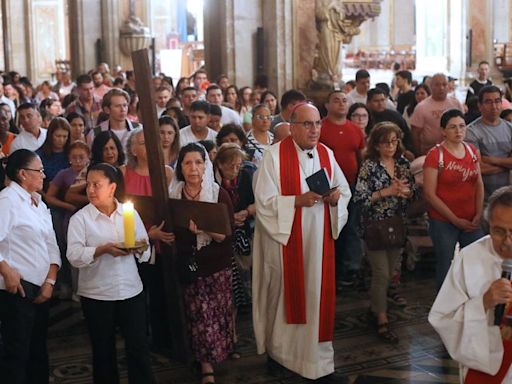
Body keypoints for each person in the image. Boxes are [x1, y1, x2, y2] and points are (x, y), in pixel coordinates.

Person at [252, 102, 350, 381]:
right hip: (285, 243)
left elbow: (343, 190)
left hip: (318, 243)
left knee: (316, 296)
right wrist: (297, 200)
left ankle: (316, 361)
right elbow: (264, 202)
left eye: (318, 123)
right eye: (307, 124)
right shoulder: (273, 157)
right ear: (292, 127)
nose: (314, 129)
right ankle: (281, 355)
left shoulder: (326, 154)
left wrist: (334, 198)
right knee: (286, 297)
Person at [67, 162, 155, 384]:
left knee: (138, 347)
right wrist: (102, 249)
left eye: (96, 184)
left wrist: (140, 247)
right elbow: (74, 255)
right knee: (103, 351)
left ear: (112, 188)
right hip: (97, 293)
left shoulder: (129, 213)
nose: (90, 190)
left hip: (130, 289)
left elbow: (145, 250)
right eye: (88, 185)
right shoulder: (81, 219)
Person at [429, 186, 512, 383]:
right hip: (483, 363)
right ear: (488, 225)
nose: (507, 241)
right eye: (499, 231)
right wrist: (482, 303)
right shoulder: (470, 258)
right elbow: (442, 319)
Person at [168, 143, 235, 384]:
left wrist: (204, 226)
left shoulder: (217, 194)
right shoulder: (175, 194)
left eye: (198, 162)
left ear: (205, 166)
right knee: (199, 316)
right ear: (181, 168)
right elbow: (172, 229)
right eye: (187, 163)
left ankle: (218, 352)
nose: (193, 168)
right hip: (190, 264)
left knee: (216, 315)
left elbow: (226, 234)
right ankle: (206, 365)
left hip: (215, 264)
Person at [0, 149, 61, 383]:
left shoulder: (37, 201)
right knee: (17, 353)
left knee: (38, 349)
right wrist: (6, 270)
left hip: (40, 285)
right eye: (40, 171)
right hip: (18, 288)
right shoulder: (7, 200)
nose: (44, 175)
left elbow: (51, 244)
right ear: (23, 174)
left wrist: (50, 281)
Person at [354, 122, 415, 344]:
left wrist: (405, 192)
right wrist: (386, 191)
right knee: (381, 274)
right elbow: (360, 199)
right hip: (374, 226)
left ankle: (375, 307)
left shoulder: (403, 164)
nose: (390, 146)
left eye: (394, 141)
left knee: (390, 274)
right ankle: (381, 319)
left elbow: (413, 192)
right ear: (376, 145)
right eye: (385, 142)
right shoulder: (369, 166)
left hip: (397, 224)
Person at [423, 109, 485, 288]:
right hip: (444, 221)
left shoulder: (472, 150)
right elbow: (429, 194)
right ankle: (443, 308)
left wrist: (478, 213)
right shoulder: (435, 155)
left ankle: (472, 300)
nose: (458, 131)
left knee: (475, 262)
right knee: (445, 265)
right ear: (443, 131)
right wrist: (455, 220)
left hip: (471, 219)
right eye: (452, 127)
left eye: (461, 126)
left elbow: (479, 183)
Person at [214, 143, 255, 357]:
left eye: (239, 165)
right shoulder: (212, 183)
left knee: (237, 288)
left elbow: (259, 202)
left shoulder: (246, 177)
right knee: (226, 289)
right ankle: (225, 335)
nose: (236, 170)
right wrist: (229, 219)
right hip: (220, 239)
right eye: (231, 166)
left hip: (242, 233)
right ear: (219, 165)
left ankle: (233, 335)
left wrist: (246, 213)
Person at [320, 91, 365, 288]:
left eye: (344, 100)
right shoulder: (320, 127)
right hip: (327, 189)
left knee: (351, 229)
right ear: (327, 105)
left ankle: (349, 270)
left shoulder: (355, 129)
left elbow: (361, 156)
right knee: (331, 230)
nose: (341, 104)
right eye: (336, 100)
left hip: (352, 186)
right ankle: (330, 270)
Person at [466, 85, 512, 199]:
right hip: (481, 196)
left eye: (497, 101)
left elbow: (483, 163)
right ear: (480, 106)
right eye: (488, 102)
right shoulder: (471, 131)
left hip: (507, 195)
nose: (494, 106)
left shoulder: (510, 128)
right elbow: (477, 168)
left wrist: (490, 159)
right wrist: (507, 165)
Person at [410, 73, 464, 155]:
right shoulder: (421, 107)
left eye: (444, 84)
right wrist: (419, 154)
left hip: (454, 151)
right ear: (431, 87)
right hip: (429, 152)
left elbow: (463, 125)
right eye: (437, 85)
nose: (441, 88)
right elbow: (415, 134)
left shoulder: (455, 103)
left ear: (448, 86)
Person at [36, 117, 71, 188]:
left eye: (65, 136)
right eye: (58, 136)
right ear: (50, 135)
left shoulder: (71, 154)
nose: (61, 140)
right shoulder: (39, 155)